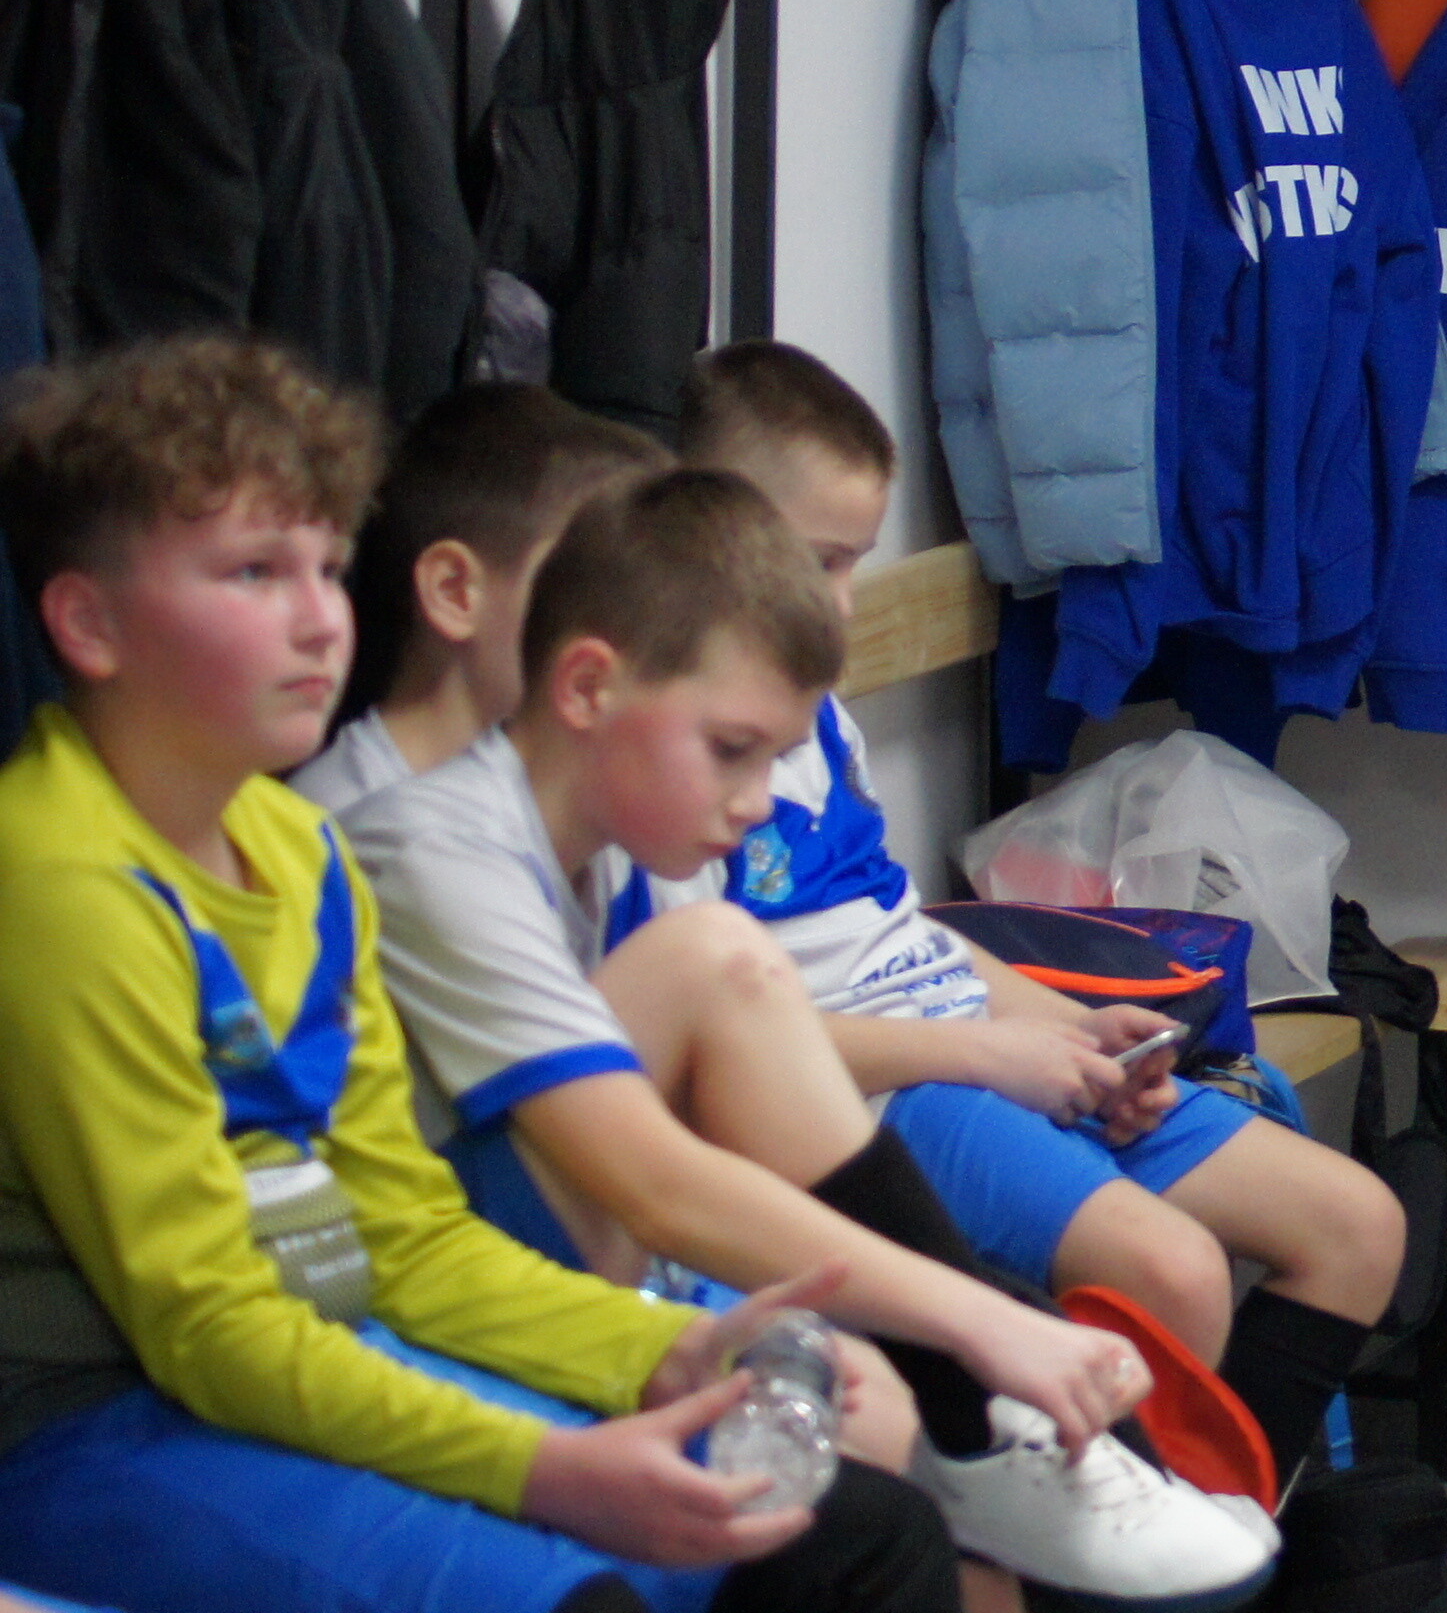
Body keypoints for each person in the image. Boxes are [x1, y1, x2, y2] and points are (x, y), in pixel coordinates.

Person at [0, 332, 962, 1613]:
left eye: (328, 565)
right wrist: (546, 1468)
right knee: (596, 1594)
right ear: (88, 621)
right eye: (253, 570)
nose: (319, 617)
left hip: (318, 1340)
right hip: (91, 1426)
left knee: (858, 1533)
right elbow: (208, 1326)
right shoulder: (56, 875)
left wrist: (666, 1346)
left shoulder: (295, 846)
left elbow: (401, 1232)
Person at [333, 465, 1277, 1605]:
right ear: (584, 687)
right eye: (731, 749)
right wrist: (978, 1322)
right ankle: (974, 1405)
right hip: (452, 1290)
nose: (754, 802)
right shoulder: (434, 847)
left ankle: (979, 1431)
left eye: (772, 759)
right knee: (718, 963)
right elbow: (654, 1179)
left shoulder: (644, 843)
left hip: (622, 1259)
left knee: (950, 1509)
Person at [656, 340, 1403, 1503]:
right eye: (817, 561)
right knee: (1175, 1274)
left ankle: (1227, 1538)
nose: (840, 602)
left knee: (1355, 1224)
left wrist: (1074, 1029)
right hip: (881, 1095)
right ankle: (1135, 1551)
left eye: (855, 563)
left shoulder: (818, 721)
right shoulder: (669, 764)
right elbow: (728, 1048)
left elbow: (902, 933)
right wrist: (995, 1052)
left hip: (979, 1043)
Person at [290, 380, 664, 813]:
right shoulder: (334, 815)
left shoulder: (567, 803)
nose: (639, 630)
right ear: (454, 592)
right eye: (591, 583)